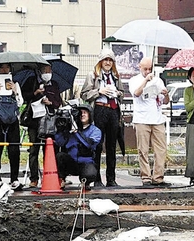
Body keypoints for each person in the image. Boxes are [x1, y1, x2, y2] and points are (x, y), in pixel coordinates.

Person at [82, 49, 123, 187]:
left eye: (110, 60)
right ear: (100, 61)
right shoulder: (93, 75)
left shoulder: (116, 76)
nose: (108, 63)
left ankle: (111, 179)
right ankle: (97, 179)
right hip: (99, 109)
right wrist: (99, 91)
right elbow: (84, 94)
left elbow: (122, 93)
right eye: (105, 60)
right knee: (98, 145)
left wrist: (117, 93)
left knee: (112, 146)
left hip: (113, 110)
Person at [128, 56, 170, 187]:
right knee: (143, 150)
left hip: (157, 118)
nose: (147, 71)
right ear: (140, 68)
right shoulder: (134, 80)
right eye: (145, 69)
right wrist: (146, 80)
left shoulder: (158, 81)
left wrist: (166, 94)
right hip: (142, 119)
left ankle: (158, 177)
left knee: (161, 149)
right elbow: (136, 93)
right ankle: (146, 177)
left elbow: (165, 101)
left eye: (149, 69)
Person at [21, 63, 63, 189]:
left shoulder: (54, 84)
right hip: (34, 120)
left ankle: (49, 175)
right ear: (39, 71)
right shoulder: (31, 81)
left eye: (49, 70)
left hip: (49, 121)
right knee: (34, 149)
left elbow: (58, 102)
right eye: (45, 70)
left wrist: (50, 102)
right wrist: (35, 93)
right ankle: (34, 178)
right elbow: (24, 97)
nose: (47, 72)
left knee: (49, 149)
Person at [0, 63, 23, 190]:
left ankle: (14, 178)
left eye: (7, 67)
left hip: (13, 121)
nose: (4, 70)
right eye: (2, 68)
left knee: (14, 150)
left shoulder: (15, 84)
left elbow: (20, 103)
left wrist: (15, 92)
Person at [55, 104, 102, 190]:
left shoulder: (95, 130)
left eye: (85, 113)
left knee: (90, 173)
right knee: (60, 156)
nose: (82, 115)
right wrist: (60, 130)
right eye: (80, 113)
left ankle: (86, 182)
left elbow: (89, 144)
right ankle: (61, 179)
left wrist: (76, 132)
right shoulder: (70, 129)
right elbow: (60, 143)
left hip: (86, 163)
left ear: (90, 115)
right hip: (72, 163)